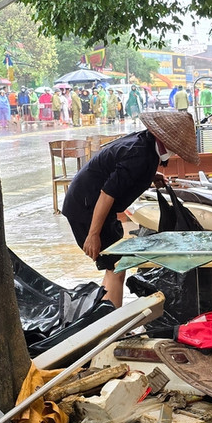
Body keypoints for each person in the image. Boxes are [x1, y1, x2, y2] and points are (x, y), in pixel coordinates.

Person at [61, 111, 200, 307]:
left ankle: (109, 316)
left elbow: (124, 166)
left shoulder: (146, 142)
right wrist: (93, 234)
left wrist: (151, 176)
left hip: (90, 201)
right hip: (86, 206)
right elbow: (107, 193)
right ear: (167, 141)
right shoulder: (140, 153)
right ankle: (112, 322)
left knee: (115, 265)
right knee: (116, 265)